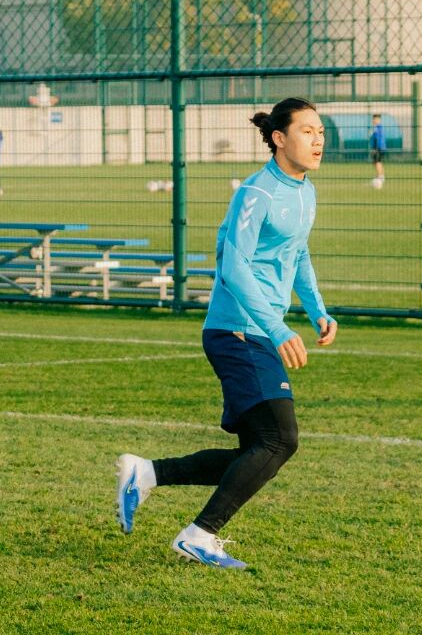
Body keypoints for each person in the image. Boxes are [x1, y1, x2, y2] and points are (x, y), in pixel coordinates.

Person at [116, 97, 337, 569]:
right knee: (280, 440)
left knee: (258, 451)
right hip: (236, 330)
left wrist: (317, 309)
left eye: (321, 132)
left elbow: (297, 253)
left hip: (259, 331)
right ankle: (199, 535)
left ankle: (147, 473)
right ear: (279, 139)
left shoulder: (306, 191)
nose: (318, 140)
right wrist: (278, 327)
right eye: (307, 131)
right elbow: (234, 268)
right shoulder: (256, 193)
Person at [369, 113, 387, 189]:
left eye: (375, 119)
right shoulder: (377, 127)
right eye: (373, 119)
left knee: (377, 162)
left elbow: (378, 139)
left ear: (379, 120)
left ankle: (380, 177)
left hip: (378, 148)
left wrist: (375, 148)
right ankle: (381, 176)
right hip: (380, 147)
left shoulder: (378, 128)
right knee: (377, 162)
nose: (374, 120)